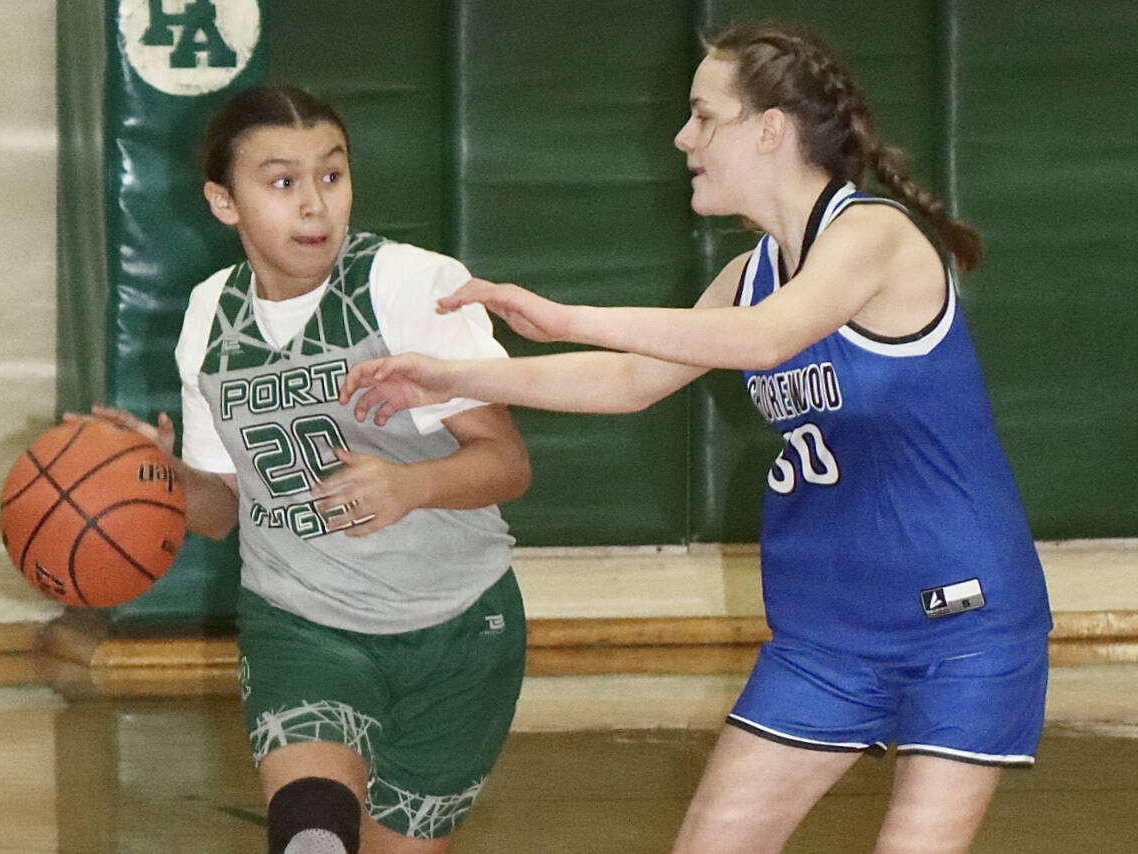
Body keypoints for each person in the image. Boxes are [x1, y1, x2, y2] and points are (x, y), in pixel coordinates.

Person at [339, 21, 1053, 854]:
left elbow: (761, 342)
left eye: (702, 116)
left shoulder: (874, 237)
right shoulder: (750, 272)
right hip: (829, 634)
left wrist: (569, 315)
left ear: (769, 129)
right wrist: (460, 378)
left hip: (960, 622)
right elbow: (629, 379)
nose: (683, 138)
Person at [92, 83, 531, 854]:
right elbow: (224, 507)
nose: (315, 207)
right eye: (282, 182)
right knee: (311, 835)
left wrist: (412, 485)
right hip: (302, 621)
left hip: (460, 629)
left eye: (332, 176)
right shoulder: (209, 317)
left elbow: (506, 464)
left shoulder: (407, 287)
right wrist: (151, 476)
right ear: (224, 202)